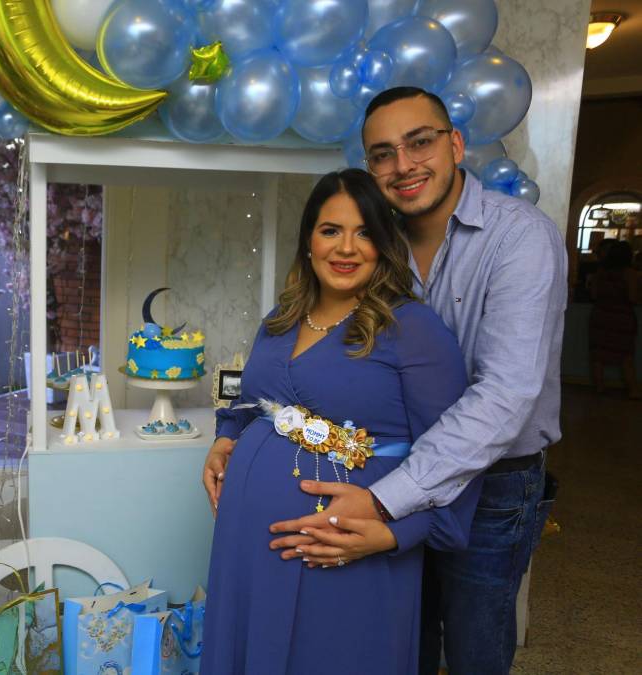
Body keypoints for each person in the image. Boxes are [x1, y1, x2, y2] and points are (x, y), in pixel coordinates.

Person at [255, 87, 567, 674]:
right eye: (382, 154)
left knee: (473, 648)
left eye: (419, 142)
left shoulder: (519, 237)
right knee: (401, 641)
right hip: (390, 474)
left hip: (492, 484)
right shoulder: (375, 239)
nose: (403, 165)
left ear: (456, 144)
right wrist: (236, 432)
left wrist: (384, 500)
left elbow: (507, 394)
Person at [199, 168, 482, 674]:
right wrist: (225, 438)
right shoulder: (281, 319)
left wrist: (394, 535)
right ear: (309, 240)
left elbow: (457, 456)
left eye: (364, 232)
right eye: (330, 230)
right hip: (247, 545)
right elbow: (253, 400)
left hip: (349, 551)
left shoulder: (413, 329)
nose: (346, 248)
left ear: (384, 245)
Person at [588, 240, 640, 398]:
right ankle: (633, 390)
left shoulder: (600, 273)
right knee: (626, 355)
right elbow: (632, 297)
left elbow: (593, 295)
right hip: (622, 318)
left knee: (598, 354)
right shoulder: (630, 274)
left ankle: (599, 387)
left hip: (600, 316)